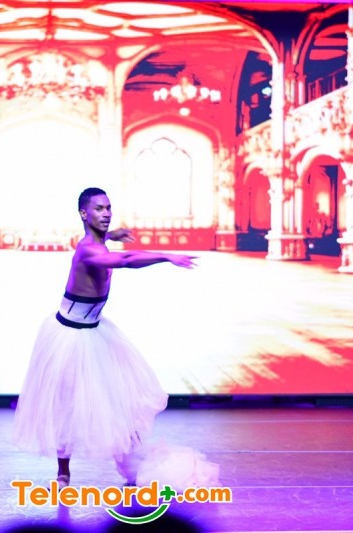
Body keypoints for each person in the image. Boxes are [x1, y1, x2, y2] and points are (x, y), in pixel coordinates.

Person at [13, 187, 216, 489]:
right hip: (68, 336)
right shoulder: (87, 250)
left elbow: (104, 242)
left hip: (95, 330)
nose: (106, 213)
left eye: (109, 208)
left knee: (119, 395)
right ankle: (63, 471)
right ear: (84, 213)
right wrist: (165, 256)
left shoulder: (97, 241)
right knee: (66, 403)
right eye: (99, 209)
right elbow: (126, 260)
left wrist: (112, 234)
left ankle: (133, 460)